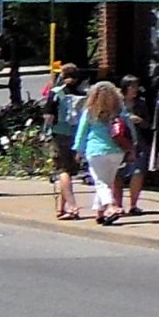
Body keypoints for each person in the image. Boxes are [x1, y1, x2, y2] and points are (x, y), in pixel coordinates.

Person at [70, 80, 130, 225]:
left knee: (100, 182)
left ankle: (111, 206)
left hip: (95, 150)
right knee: (107, 182)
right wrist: (131, 147)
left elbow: (82, 133)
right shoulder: (119, 111)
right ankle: (100, 213)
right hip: (116, 150)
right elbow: (130, 129)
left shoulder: (90, 112)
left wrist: (78, 149)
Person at [47, 64, 87, 220]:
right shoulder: (83, 94)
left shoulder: (56, 93)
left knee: (63, 171)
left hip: (60, 133)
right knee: (70, 172)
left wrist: (48, 130)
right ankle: (60, 208)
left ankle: (72, 206)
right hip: (77, 135)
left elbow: (48, 117)